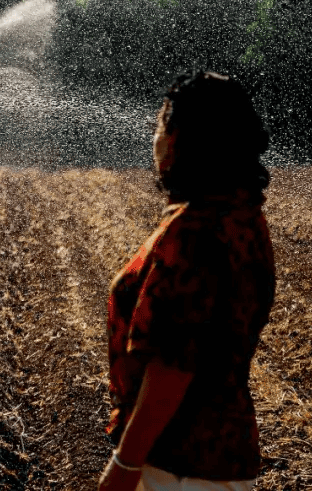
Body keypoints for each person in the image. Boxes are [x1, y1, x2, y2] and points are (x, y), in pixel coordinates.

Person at [98, 71, 276, 491]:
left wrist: (124, 466)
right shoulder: (243, 215)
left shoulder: (196, 232)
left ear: (188, 139)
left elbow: (174, 363)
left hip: (178, 467)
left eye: (162, 124)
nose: (154, 136)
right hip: (218, 459)